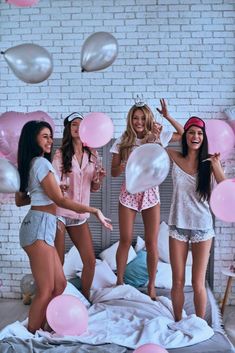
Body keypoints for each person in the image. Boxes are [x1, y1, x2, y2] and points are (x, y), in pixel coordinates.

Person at [15, 120, 112, 334]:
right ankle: (31, 336)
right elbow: (61, 202)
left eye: (51, 136)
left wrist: (51, 189)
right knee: (46, 289)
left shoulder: (34, 163)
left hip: (43, 227)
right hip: (38, 228)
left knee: (59, 286)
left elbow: (21, 200)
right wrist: (94, 210)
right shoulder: (41, 164)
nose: (51, 140)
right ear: (34, 139)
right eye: (45, 136)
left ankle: (46, 326)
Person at [110, 98, 184, 299]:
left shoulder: (159, 136)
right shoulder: (123, 140)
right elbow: (114, 172)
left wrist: (167, 116)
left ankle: (151, 286)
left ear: (148, 118)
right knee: (125, 240)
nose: (139, 122)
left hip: (151, 193)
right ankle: (119, 282)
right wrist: (123, 165)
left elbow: (185, 134)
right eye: (135, 118)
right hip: (129, 193)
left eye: (142, 118)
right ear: (130, 119)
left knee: (151, 242)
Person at [165, 115, 225, 321]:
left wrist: (216, 165)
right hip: (177, 226)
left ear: (204, 137)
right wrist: (168, 118)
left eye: (200, 133)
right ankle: (178, 321)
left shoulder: (210, 161)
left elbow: (226, 189)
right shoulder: (173, 155)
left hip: (202, 227)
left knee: (198, 282)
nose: (195, 136)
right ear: (185, 135)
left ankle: (200, 324)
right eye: (191, 132)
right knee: (178, 281)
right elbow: (161, 142)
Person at [52, 112, 106, 299]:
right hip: (60, 211)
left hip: (80, 213)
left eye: (80, 125)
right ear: (68, 129)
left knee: (90, 261)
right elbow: (53, 184)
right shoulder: (60, 154)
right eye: (74, 125)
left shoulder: (93, 154)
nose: (77, 128)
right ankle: (55, 298)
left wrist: (98, 180)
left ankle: (84, 297)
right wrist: (61, 185)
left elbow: (94, 187)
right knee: (57, 261)